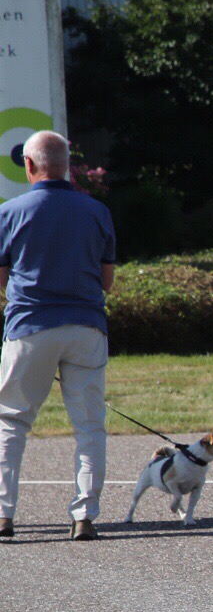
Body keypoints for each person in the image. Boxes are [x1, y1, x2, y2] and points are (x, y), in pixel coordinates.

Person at [0, 131, 117, 541]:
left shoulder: (9, 212)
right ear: (67, 165)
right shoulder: (97, 211)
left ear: (29, 165)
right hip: (86, 327)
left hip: (30, 327)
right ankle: (84, 516)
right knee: (89, 426)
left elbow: (1, 278)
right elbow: (107, 282)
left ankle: (3, 515)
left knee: (11, 421)